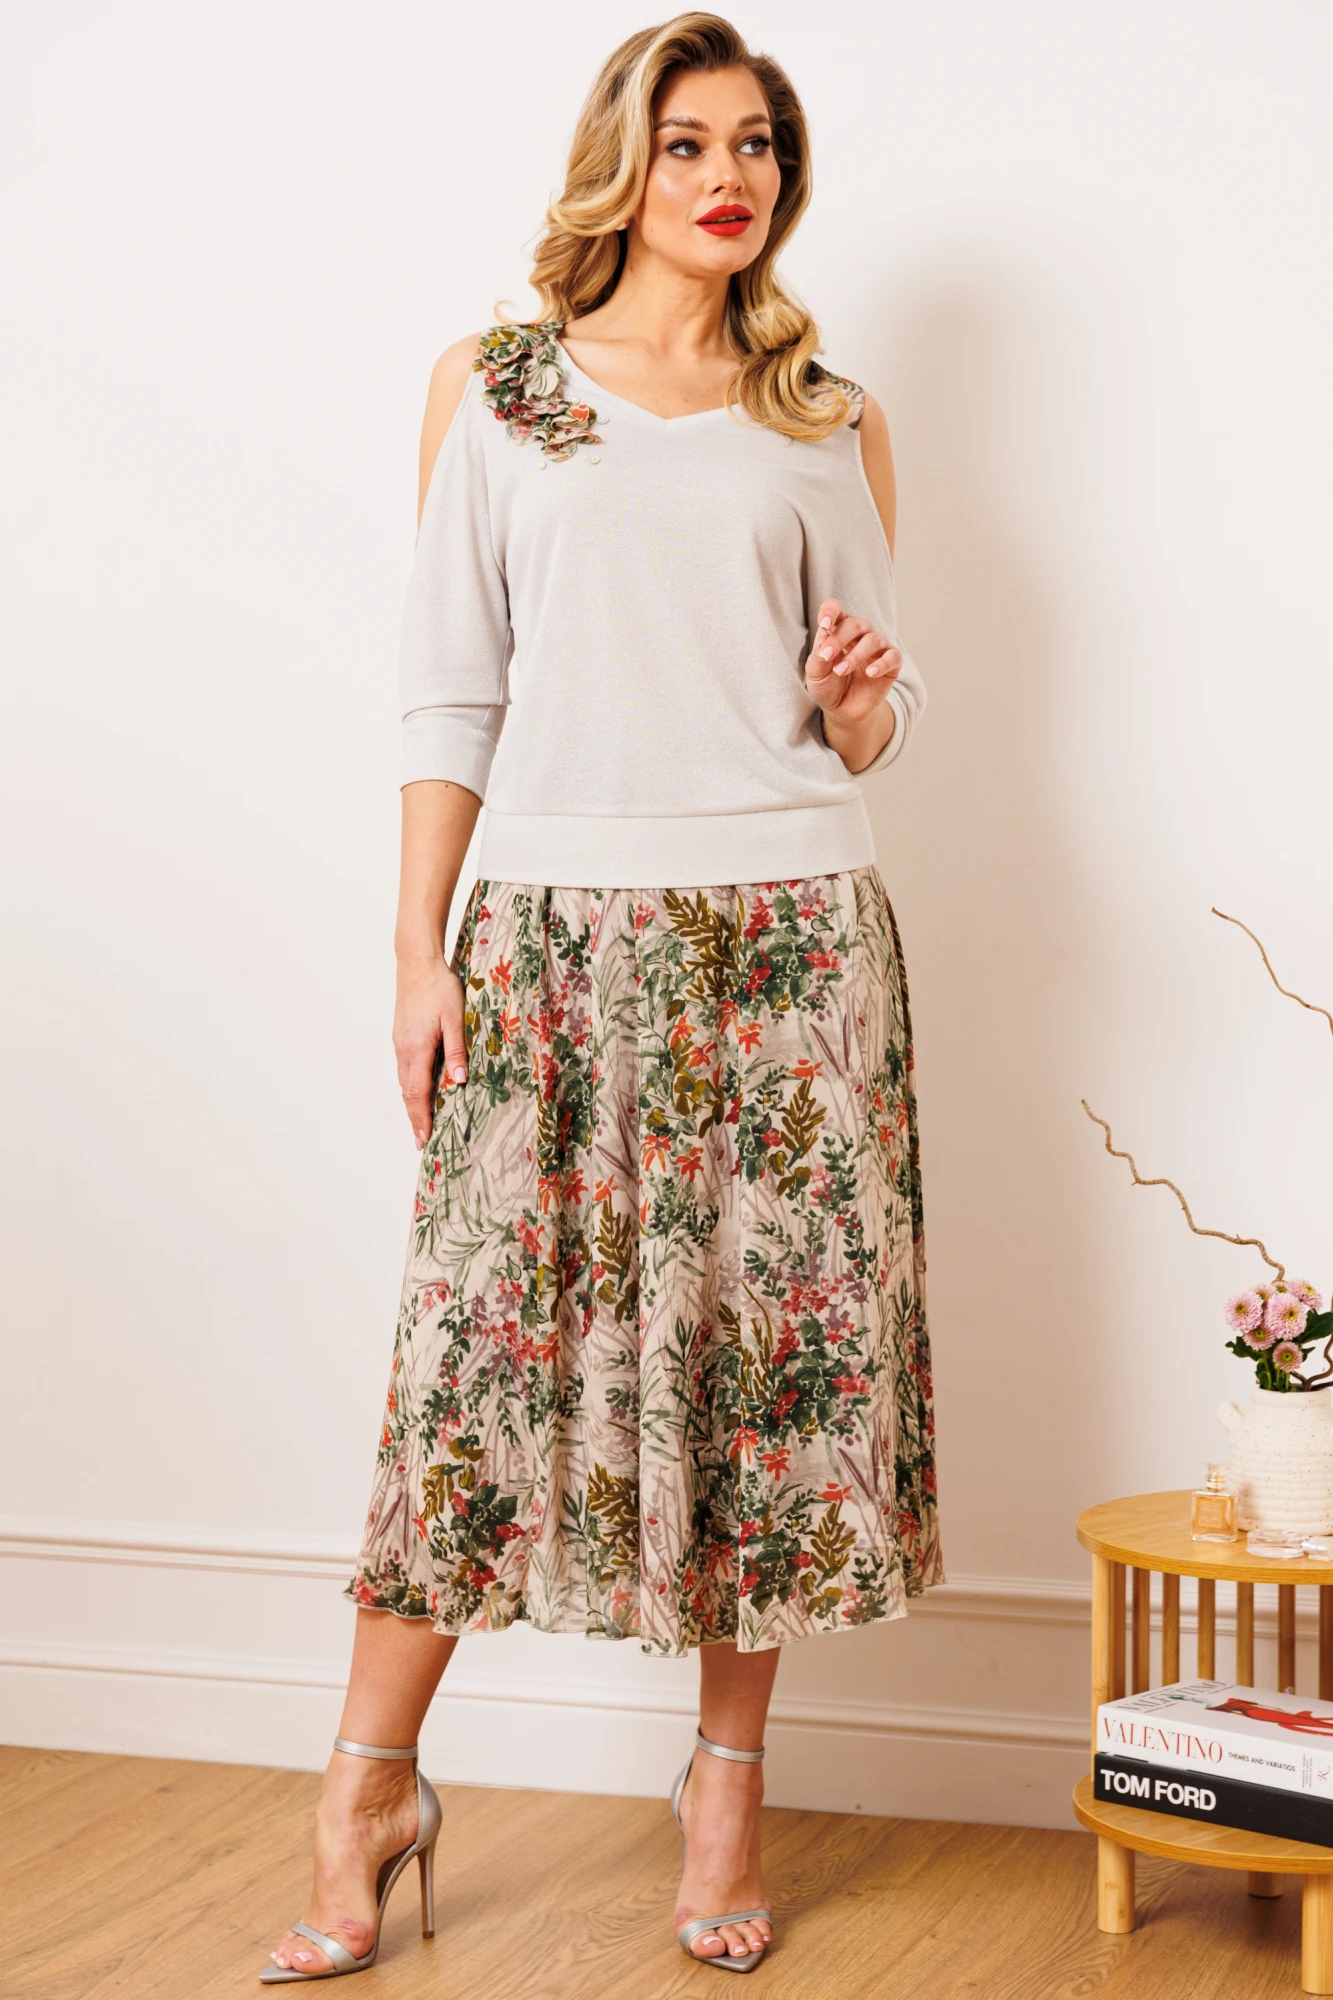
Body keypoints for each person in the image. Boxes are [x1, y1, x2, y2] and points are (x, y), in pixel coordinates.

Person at [262, 11, 943, 1982]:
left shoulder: (828, 414)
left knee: (766, 1378)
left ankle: (724, 1789)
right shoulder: (495, 390)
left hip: (794, 941)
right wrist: (419, 954)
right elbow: (449, 690)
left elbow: (872, 715)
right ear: (620, 165)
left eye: (757, 146)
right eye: (687, 141)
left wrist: (863, 696)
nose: (727, 177)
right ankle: (367, 1785)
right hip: (550, 944)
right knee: (473, 1370)